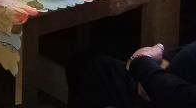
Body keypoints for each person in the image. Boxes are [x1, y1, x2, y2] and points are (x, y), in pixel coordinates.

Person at [67, 40, 196, 108]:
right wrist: (165, 59)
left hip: (164, 95)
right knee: (83, 62)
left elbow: (184, 99)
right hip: (163, 79)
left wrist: (141, 62)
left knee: (87, 67)